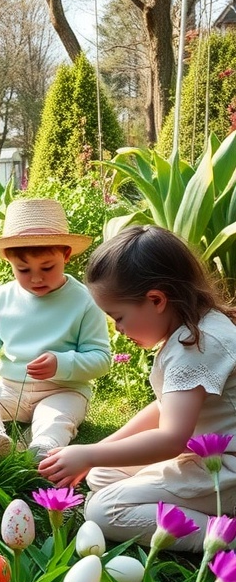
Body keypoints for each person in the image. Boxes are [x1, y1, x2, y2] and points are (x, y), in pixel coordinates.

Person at [39, 224, 236, 552]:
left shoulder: (196, 346)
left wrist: (88, 452)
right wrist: (97, 453)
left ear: (156, 299)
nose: (117, 328)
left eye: (118, 316)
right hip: (207, 458)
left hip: (225, 471)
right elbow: (163, 407)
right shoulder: (193, 329)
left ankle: (225, 537)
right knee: (101, 474)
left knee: (104, 510)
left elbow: (170, 439)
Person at [0, 198, 111, 461]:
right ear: (9, 261)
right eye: (23, 269)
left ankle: (42, 448)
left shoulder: (84, 300)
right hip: (10, 388)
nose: (36, 278)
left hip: (63, 389)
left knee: (56, 418)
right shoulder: (2, 297)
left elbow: (101, 359)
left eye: (47, 268)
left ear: (65, 255)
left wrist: (61, 364)